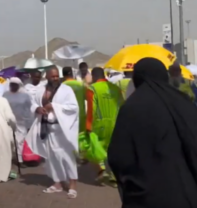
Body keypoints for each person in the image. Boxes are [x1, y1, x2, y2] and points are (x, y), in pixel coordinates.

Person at [108, 58, 197, 208]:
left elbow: (118, 156)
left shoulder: (131, 108)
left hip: (145, 195)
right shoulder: (183, 103)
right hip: (186, 192)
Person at [26, 66, 79, 199]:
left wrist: (54, 106)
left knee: (67, 156)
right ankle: (57, 183)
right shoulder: (41, 90)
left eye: (57, 76)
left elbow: (74, 108)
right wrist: (37, 108)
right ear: (47, 77)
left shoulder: (66, 90)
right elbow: (31, 103)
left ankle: (72, 185)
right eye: (52, 76)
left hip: (62, 129)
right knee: (52, 157)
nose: (55, 78)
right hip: (47, 127)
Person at [85, 67, 124, 186]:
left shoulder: (92, 89)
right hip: (115, 123)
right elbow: (122, 106)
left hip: (100, 124)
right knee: (113, 150)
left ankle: (101, 169)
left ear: (94, 76)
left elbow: (91, 109)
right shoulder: (116, 89)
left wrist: (88, 125)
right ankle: (114, 177)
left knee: (95, 147)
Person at [3, 77, 31, 164]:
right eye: (12, 84)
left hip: (21, 121)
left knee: (21, 141)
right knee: (9, 140)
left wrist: (28, 120)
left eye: (15, 85)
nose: (13, 86)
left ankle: (20, 160)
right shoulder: (5, 95)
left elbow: (28, 108)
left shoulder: (25, 96)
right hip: (8, 122)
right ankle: (9, 158)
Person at [61, 67, 86, 132]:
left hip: (68, 116)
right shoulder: (81, 84)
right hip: (81, 115)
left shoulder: (62, 86)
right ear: (72, 73)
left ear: (63, 75)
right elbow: (86, 97)